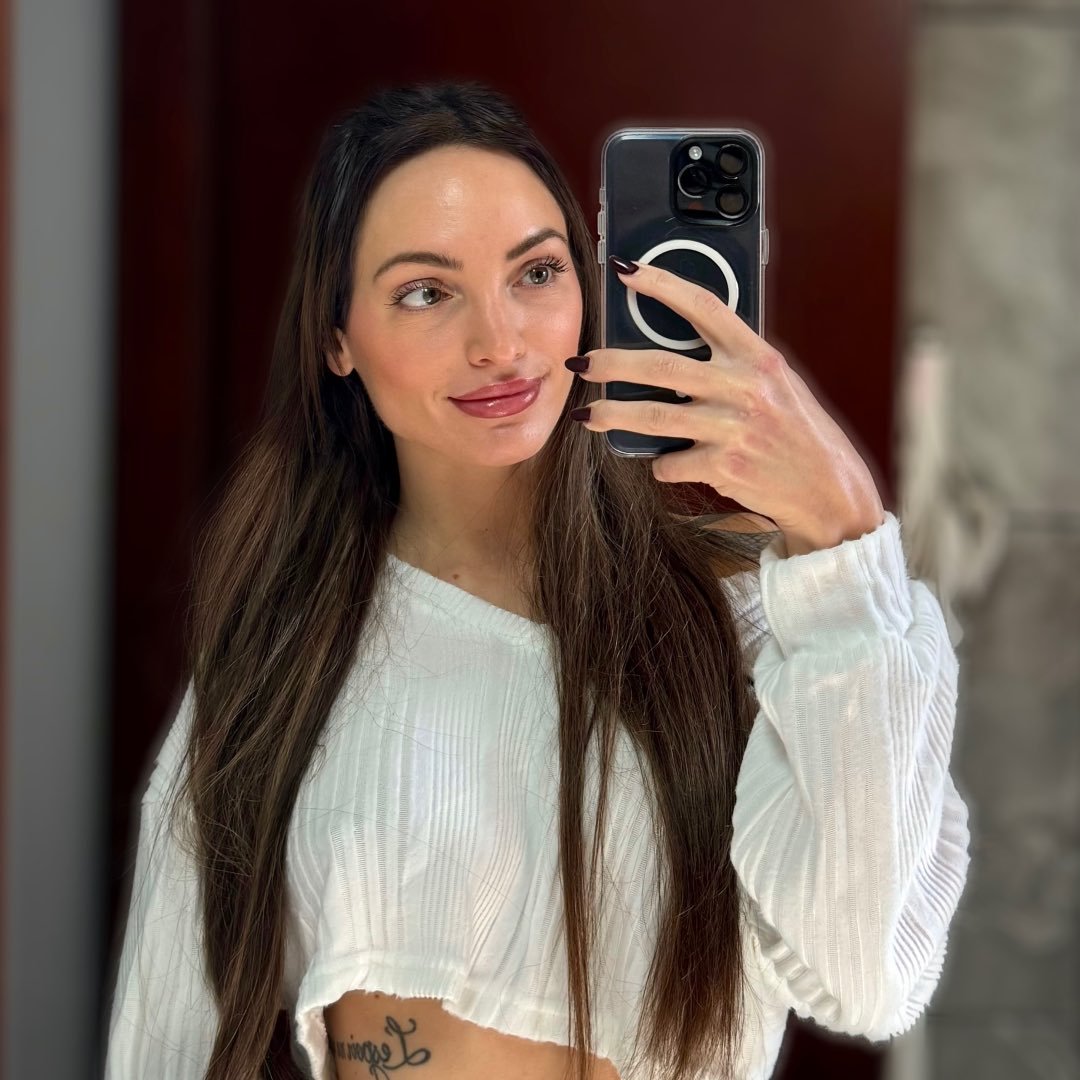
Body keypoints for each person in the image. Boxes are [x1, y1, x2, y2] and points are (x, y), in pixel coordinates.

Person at [103, 80, 971, 1080]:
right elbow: (171, 1036)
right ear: (336, 337)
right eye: (426, 292)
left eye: (537, 272)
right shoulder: (284, 652)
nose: (501, 343)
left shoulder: (755, 617)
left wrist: (843, 537)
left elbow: (868, 977)